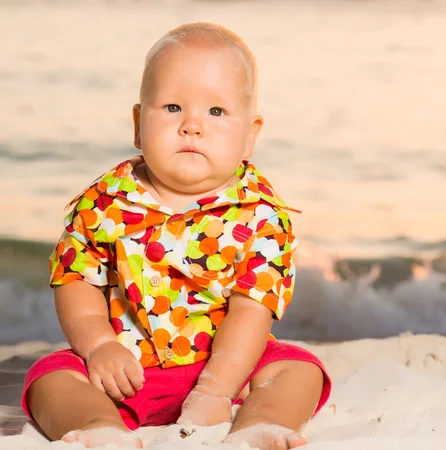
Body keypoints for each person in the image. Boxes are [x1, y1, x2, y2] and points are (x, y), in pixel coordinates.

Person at [20, 22, 331, 450]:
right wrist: (99, 346)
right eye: (171, 108)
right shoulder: (106, 202)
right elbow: (76, 278)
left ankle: (258, 424)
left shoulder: (261, 215)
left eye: (216, 112)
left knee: (300, 369)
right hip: (128, 373)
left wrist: (216, 390)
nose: (191, 126)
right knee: (49, 377)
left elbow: (251, 310)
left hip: (228, 367)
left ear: (251, 135)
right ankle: (98, 424)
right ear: (137, 123)